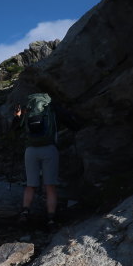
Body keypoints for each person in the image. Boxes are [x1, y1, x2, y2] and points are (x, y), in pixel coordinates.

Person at [14, 93, 79, 226]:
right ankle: (50, 219)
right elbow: (70, 121)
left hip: (30, 150)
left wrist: (18, 116)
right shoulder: (51, 107)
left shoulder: (28, 109)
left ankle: (25, 212)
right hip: (49, 149)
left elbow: (15, 128)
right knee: (50, 186)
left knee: (30, 185)